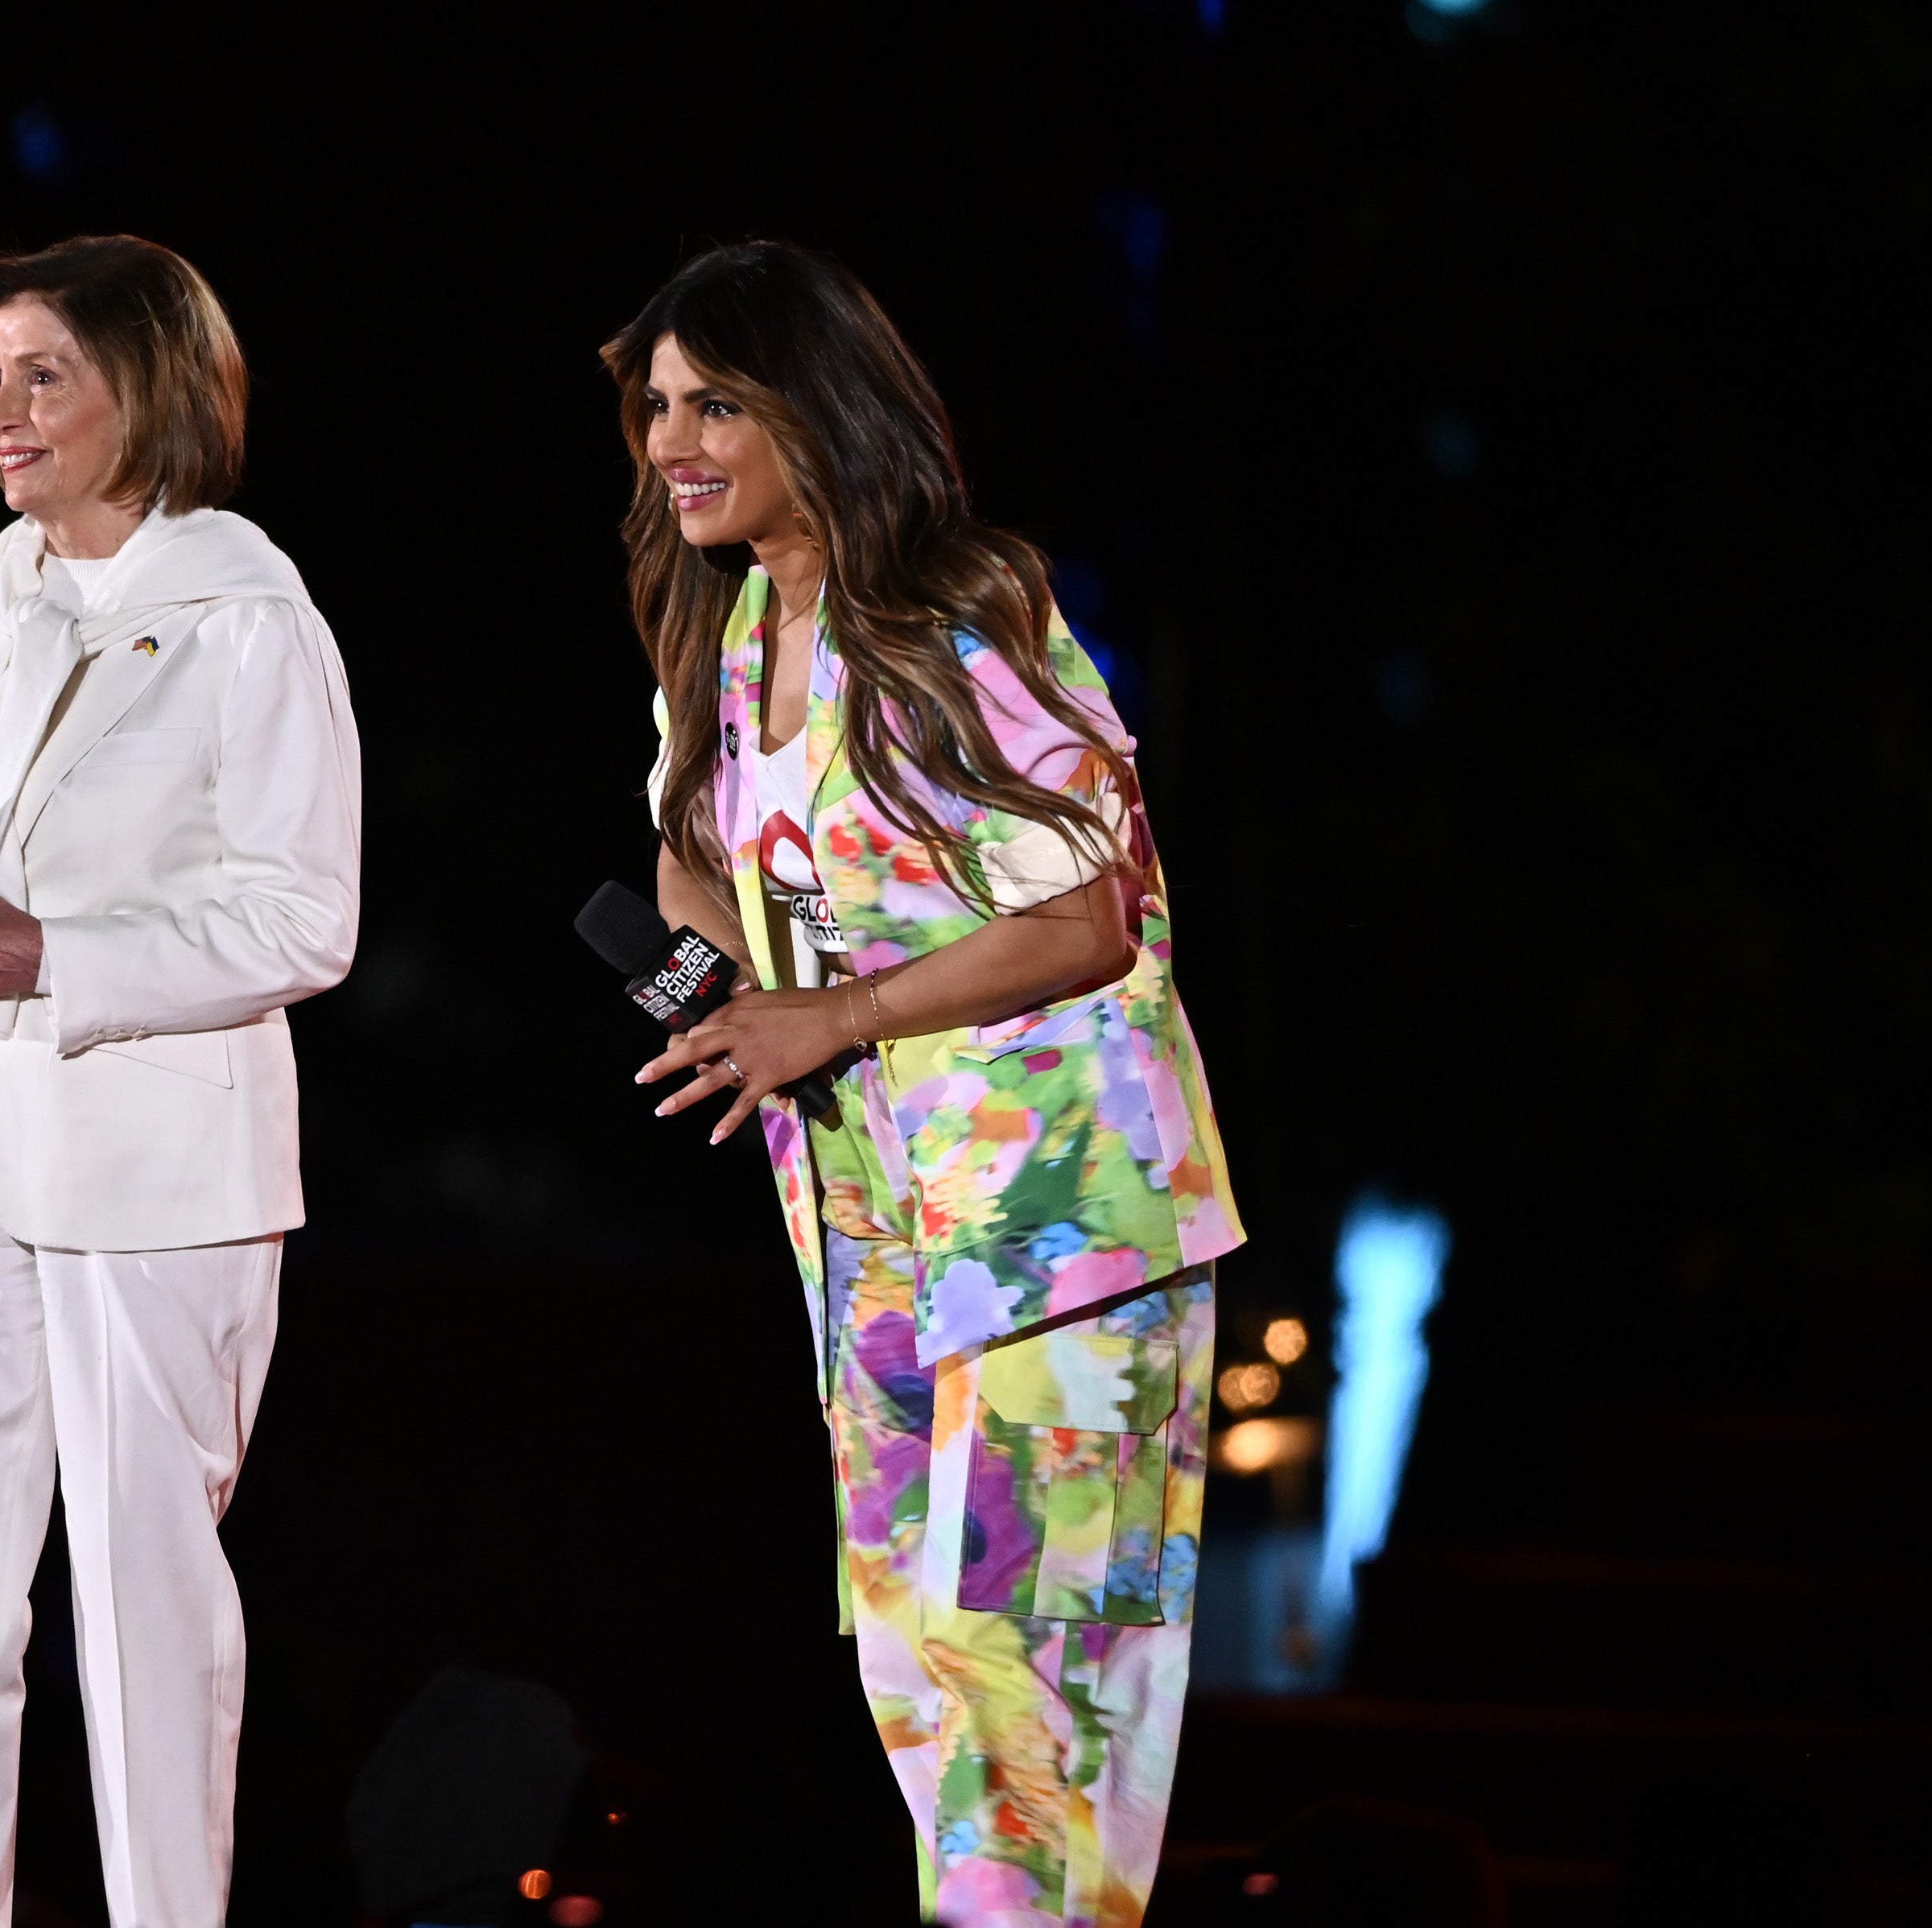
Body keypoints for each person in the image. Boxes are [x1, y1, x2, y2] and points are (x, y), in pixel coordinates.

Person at [605, 242, 1242, 1928]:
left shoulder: (963, 611)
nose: (671, 438)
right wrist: (733, 988)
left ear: (817, 409)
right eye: (657, 405)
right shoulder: (739, 628)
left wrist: (837, 1013)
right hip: (870, 1232)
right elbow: (692, 855)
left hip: (1061, 1230)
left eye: (715, 401)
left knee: (1032, 1688)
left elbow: (1089, 916)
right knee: (919, 1667)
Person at [0, 235, 361, 1928]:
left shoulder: (247, 615)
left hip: (160, 1174)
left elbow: (306, 916)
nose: (4, 409)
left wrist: (47, 953)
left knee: (144, 1605)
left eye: (44, 372)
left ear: (145, 386)